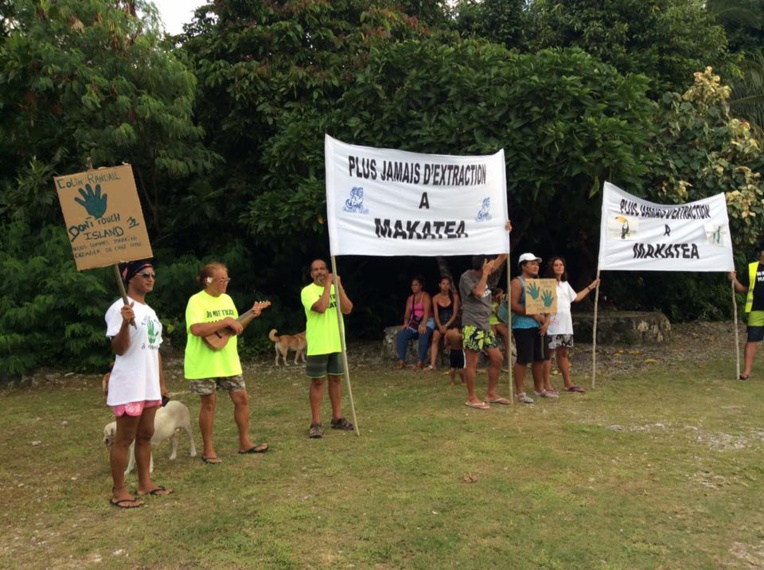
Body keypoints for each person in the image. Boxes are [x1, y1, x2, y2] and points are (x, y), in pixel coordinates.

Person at [184, 262, 270, 464]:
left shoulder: (228, 299)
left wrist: (251, 315)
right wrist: (225, 321)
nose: (225, 283)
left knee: (242, 399)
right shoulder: (196, 301)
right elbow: (196, 329)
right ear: (208, 280)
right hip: (203, 362)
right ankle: (208, 449)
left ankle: (245, 442)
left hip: (228, 360)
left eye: (227, 279)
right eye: (220, 280)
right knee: (209, 404)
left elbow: (235, 328)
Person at [105, 259, 172, 508]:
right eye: (144, 274)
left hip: (149, 385)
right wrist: (124, 323)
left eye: (153, 274)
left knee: (146, 434)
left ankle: (145, 483)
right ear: (129, 278)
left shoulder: (150, 312)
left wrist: (161, 384)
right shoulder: (119, 308)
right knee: (124, 438)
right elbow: (119, 349)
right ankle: (119, 490)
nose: (150, 278)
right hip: (130, 383)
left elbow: (155, 350)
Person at [458, 220, 512, 409]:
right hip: (472, 325)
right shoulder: (466, 277)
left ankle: (491, 393)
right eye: (487, 264)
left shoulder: (485, 271)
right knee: (472, 360)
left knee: (497, 358)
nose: (491, 265)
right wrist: (485, 275)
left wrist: (506, 234)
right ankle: (472, 397)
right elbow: (479, 293)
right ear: (482, 265)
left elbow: (503, 257)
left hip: (485, 325)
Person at [302, 259, 355, 438]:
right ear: (311, 274)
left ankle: (337, 418)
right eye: (315, 269)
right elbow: (321, 307)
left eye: (323, 269)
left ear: (328, 271)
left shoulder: (335, 288)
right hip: (318, 344)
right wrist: (327, 287)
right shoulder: (307, 291)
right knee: (317, 382)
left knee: (336, 380)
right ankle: (315, 423)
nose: (320, 272)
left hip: (337, 342)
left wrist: (338, 286)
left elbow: (348, 309)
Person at [542, 256, 600, 394]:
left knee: (563, 353)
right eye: (556, 265)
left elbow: (576, 298)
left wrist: (591, 286)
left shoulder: (565, 284)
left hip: (565, 325)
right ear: (551, 268)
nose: (559, 267)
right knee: (548, 354)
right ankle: (546, 384)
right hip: (552, 325)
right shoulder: (545, 284)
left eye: (561, 264)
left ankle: (568, 383)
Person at [510, 253, 551, 403]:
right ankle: (519, 392)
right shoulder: (517, 282)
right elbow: (513, 305)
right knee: (523, 358)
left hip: (539, 326)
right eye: (532, 263)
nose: (536, 266)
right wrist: (534, 314)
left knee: (540, 357)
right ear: (523, 266)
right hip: (522, 325)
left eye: (537, 264)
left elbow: (547, 303)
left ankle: (539, 389)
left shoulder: (539, 282)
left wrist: (547, 320)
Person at [729, 241, 764, 380]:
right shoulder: (752, 268)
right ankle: (747, 371)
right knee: (752, 339)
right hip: (756, 310)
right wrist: (734, 279)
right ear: (762, 252)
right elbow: (742, 289)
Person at [395, 276, 434, 369]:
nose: (413, 287)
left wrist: (424, 325)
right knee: (401, 334)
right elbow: (407, 314)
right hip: (414, 322)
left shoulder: (426, 296)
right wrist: (405, 323)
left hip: (427, 320)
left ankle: (420, 361)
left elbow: (427, 312)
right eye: (412, 285)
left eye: (416, 285)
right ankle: (401, 361)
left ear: (420, 286)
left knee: (423, 333)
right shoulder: (410, 298)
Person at [427, 276, 460, 371]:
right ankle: (432, 365)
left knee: (454, 337)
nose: (445, 286)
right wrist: (441, 326)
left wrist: (446, 325)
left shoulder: (454, 296)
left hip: (451, 321)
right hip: (440, 321)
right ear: (440, 285)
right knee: (435, 338)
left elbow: (455, 314)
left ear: (449, 286)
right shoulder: (435, 298)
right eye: (443, 284)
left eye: (447, 284)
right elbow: (436, 315)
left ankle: (456, 364)